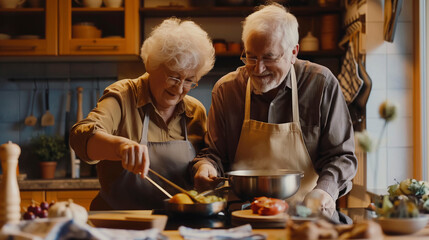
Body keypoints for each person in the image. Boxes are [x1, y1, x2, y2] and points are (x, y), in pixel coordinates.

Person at [191, 3, 357, 213]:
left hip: (307, 214)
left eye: (269, 57)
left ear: (293, 52)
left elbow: (342, 156)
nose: (258, 69)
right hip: (242, 216)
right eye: (251, 56)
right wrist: (206, 167)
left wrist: (325, 190)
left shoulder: (321, 84)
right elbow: (214, 154)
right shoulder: (227, 90)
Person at [70, 18, 215, 210]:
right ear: (151, 65)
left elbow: (203, 157)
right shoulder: (123, 96)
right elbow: (80, 136)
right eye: (173, 76)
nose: (180, 88)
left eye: (189, 80)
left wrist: (204, 169)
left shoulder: (194, 111)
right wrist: (120, 147)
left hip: (175, 224)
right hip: (119, 224)